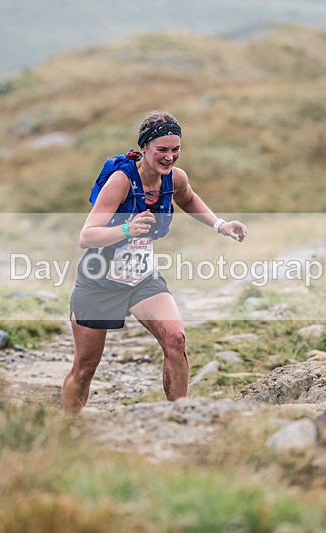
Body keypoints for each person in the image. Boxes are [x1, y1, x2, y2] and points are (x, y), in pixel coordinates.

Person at [62, 111, 247, 414]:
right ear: (145, 148)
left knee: (176, 339)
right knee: (85, 368)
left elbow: (187, 199)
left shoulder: (175, 178)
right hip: (100, 281)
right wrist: (126, 229)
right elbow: (87, 236)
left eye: (176, 149)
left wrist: (220, 225)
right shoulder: (120, 181)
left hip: (142, 280)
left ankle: (180, 417)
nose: (169, 157)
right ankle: (65, 428)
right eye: (162, 149)